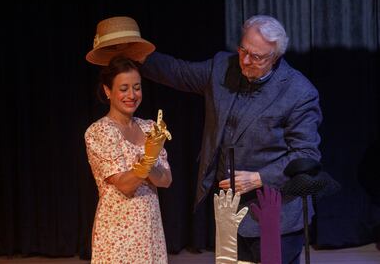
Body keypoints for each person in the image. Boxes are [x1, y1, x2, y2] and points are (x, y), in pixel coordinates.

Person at [140, 15, 322, 264]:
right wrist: (133, 54)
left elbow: (306, 155)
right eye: (243, 50)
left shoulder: (299, 92)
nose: (245, 61)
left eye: (256, 57)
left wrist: (258, 178)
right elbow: (178, 72)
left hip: (276, 212)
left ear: (275, 57)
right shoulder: (222, 67)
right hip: (231, 209)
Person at [84, 56, 172, 263]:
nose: (132, 95)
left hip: (149, 230)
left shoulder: (149, 127)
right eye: (124, 89)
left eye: (137, 87)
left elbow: (166, 180)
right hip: (118, 234)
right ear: (108, 91)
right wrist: (149, 159)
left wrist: (148, 164)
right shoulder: (100, 131)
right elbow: (125, 185)